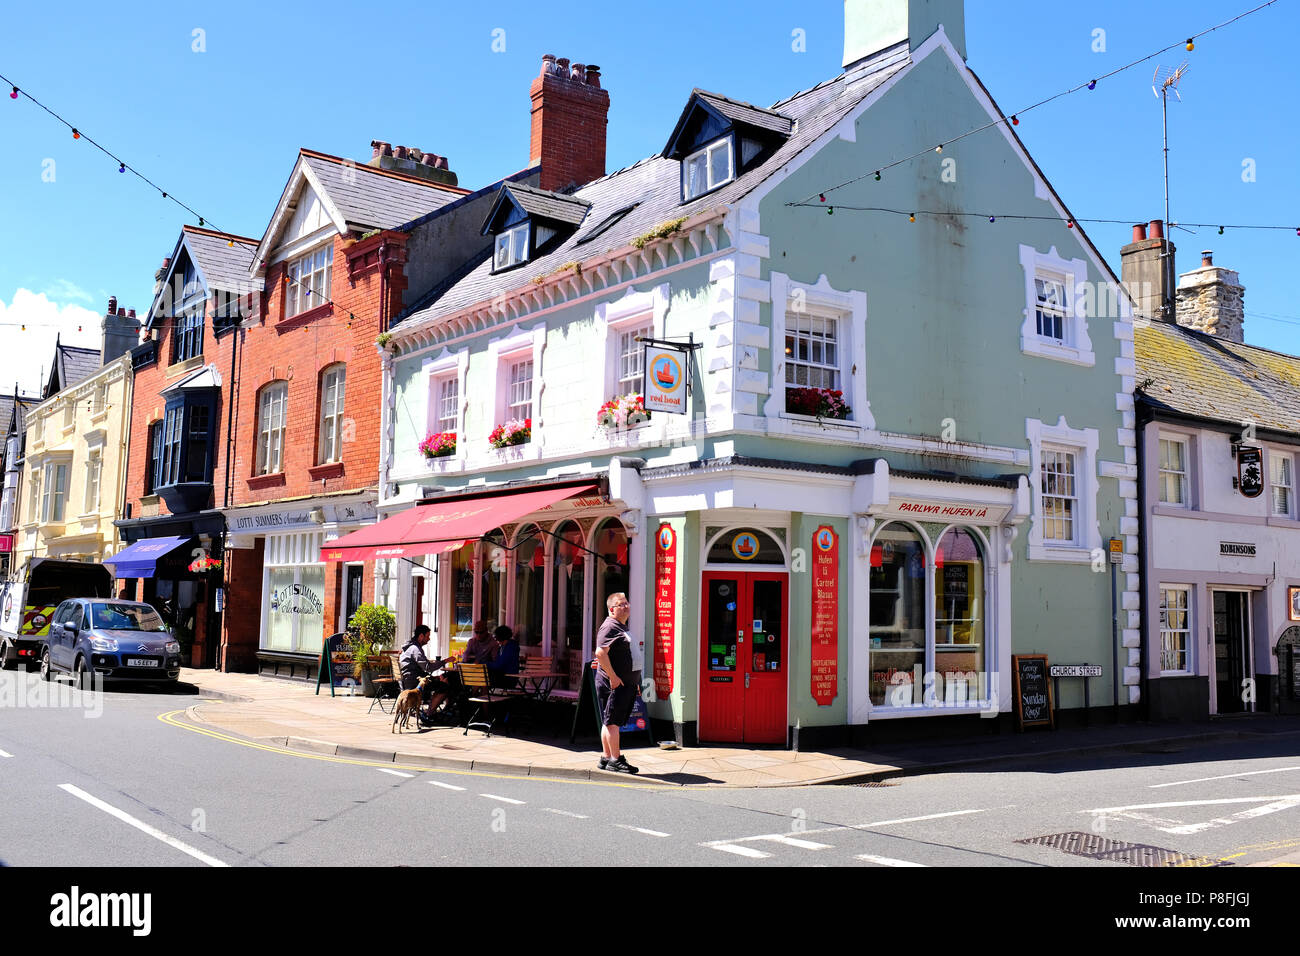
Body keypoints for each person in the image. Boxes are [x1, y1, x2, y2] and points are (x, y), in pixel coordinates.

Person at [593, 591, 638, 774]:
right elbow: (600, 653)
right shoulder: (609, 627)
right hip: (614, 684)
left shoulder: (619, 626)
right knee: (613, 722)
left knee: (609, 720)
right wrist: (613, 677)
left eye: (627, 602)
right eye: (622, 604)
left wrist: (635, 681)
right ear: (612, 609)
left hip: (624, 682)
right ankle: (616, 759)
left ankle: (606, 757)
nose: (626, 606)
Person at [399, 625, 453, 723]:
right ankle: (428, 714)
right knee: (445, 687)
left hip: (408, 681)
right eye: (427, 636)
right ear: (421, 636)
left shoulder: (409, 647)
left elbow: (423, 667)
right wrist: (445, 661)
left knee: (439, 679)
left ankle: (432, 710)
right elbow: (427, 667)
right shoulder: (415, 649)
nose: (429, 639)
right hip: (415, 684)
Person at [486, 624, 519, 689]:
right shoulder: (503, 647)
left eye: (496, 636)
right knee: (483, 676)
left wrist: (485, 664)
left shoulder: (511, 647)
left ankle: (480, 695)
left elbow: (500, 665)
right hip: (501, 674)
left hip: (508, 677)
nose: (495, 638)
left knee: (484, 676)